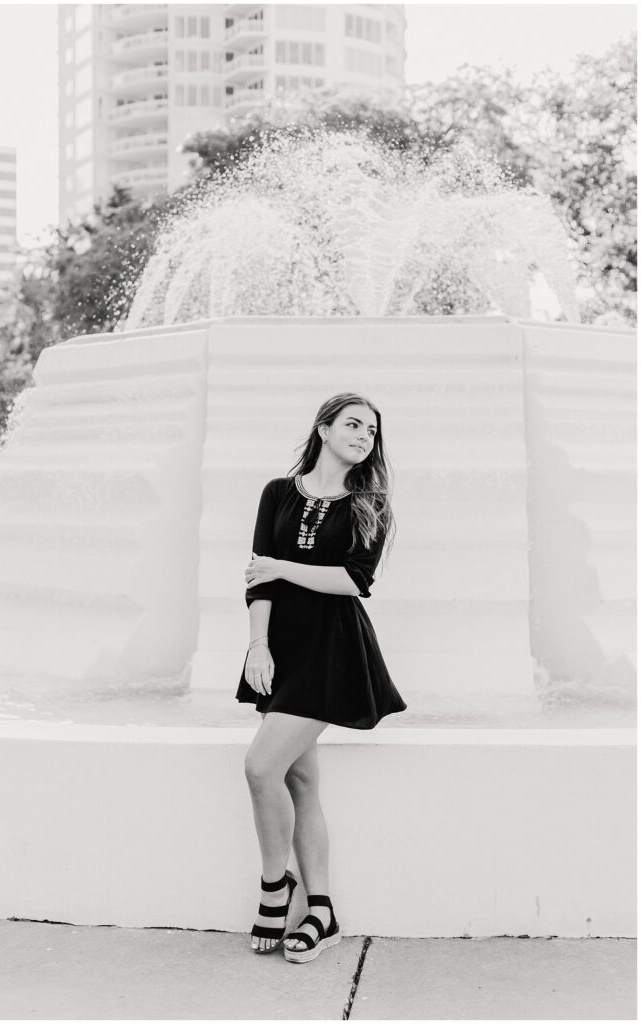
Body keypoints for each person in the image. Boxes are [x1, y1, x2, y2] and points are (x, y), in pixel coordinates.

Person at [235, 392, 407, 963]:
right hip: (282, 648)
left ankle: (272, 887)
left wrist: (283, 566)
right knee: (299, 783)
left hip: (333, 649)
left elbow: (354, 580)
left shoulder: (370, 504)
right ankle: (324, 911)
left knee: (260, 767)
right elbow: (257, 581)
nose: (364, 436)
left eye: (372, 431)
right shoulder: (278, 493)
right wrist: (257, 646)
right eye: (353, 424)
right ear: (324, 428)